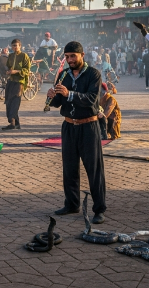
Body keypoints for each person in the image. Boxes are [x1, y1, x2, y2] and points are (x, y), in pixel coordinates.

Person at [46, 41, 107, 224]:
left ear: (82, 55)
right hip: (69, 126)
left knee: (94, 169)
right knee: (69, 168)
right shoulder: (63, 74)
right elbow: (58, 102)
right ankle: (72, 204)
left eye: (73, 56)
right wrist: (52, 97)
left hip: (88, 126)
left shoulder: (93, 74)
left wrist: (69, 94)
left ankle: (99, 209)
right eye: (67, 57)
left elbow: (91, 99)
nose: (70, 60)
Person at [2, 39, 30, 131]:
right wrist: (8, 71)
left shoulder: (24, 56)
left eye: (16, 45)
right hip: (11, 80)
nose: (14, 47)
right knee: (8, 101)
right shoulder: (10, 56)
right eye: (13, 45)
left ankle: (12, 121)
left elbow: (27, 70)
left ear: (19, 46)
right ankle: (15, 124)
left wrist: (16, 71)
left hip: (19, 81)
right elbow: (8, 66)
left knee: (15, 101)